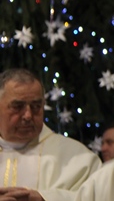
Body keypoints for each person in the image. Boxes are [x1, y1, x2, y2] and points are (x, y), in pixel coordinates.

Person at [0, 68, 101, 201]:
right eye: (17, 106)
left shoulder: (79, 158)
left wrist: (45, 198)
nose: (28, 115)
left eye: (36, 106)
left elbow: (99, 195)